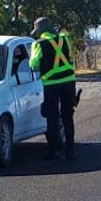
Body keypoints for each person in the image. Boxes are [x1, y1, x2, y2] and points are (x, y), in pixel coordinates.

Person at [29, 17, 78, 160]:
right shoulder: (65, 39)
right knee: (68, 116)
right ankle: (70, 151)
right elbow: (71, 56)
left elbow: (34, 65)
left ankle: (54, 151)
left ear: (41, 30)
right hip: (69, 82)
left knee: (52, 117)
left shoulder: (39, 44)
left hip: (51, 84)